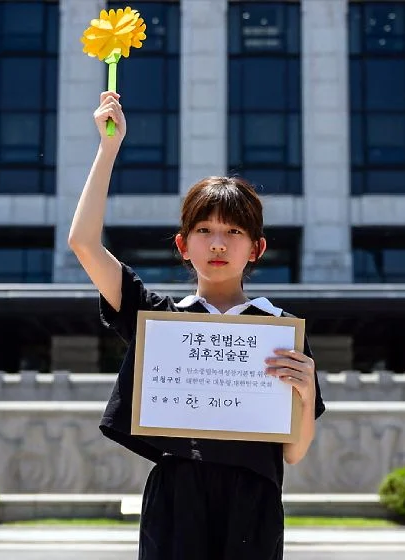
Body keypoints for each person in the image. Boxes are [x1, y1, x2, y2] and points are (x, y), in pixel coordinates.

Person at [68, 91, 326, 560]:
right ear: (183, 245)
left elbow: (293, 453)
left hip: (254, 500)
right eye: (205, 231)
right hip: (176, 500)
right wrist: (108, 149)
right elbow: (83, 243)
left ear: (257, 248)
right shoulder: (161, 322)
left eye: (233, 232)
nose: (219, 244)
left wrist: (306, 396)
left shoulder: (280, 329)